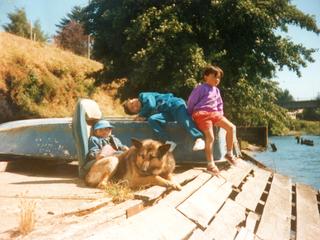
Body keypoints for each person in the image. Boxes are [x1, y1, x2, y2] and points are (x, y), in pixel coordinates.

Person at [187, 65, 238, 175]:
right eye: (214, 76)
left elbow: (220, 104)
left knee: (231, 127)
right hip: (202, 113)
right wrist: (191, 114)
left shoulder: (217, 91)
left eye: (219, 78)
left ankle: (229, 154)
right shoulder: (200, 88)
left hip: (215, 114)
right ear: (206, 76)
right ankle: (210, 164)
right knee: (210, 137)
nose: (217, 79)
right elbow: (191, 101)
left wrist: (220, 115)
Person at [123, 92, 205, 151]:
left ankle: (198, 138)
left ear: (134, 98)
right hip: (166, 113)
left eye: (132, 102)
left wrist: (140, 115)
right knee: (152, 119)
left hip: (174, 104)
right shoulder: (146, 112)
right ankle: (168, 142)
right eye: (133, 108)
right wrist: (144, 117)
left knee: (184, 120)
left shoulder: (143, 96)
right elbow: (151, 113)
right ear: (136, 111)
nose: (134, 105)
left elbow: (151, 104)